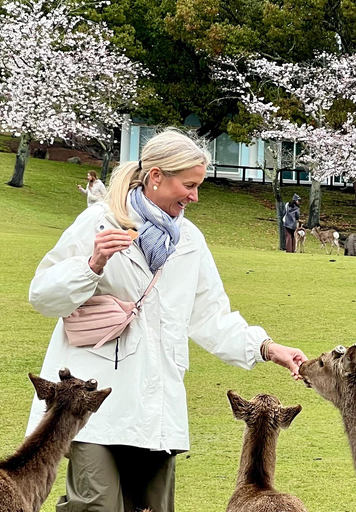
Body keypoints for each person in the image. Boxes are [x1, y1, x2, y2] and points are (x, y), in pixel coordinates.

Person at [26, 129, 307, 512]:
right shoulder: (97, 223)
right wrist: (91, 266)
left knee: (153, 508)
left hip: (156, 404)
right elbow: (42, 295)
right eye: (189, 185)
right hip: (94, 400)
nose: (194, 196)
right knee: (95, 505)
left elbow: (210, 316)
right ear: (156, 177)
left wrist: (266, 347)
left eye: (198, 186)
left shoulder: (189, 240)